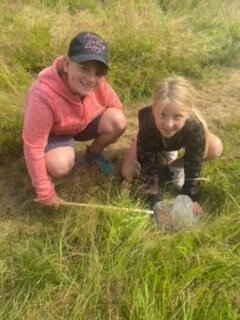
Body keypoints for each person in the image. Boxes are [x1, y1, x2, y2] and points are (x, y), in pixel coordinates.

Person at [23, 31, 127, 208]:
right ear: (66, 64)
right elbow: (33, 144)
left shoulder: (99, 84)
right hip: (56, 132)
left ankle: (93, 154)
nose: (91, 79)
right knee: (60, 166)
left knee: (118, 120)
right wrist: (45, 192)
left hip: (83, 123)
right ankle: (57, 154)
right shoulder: (43, 95)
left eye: (98, 72)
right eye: (84, 68)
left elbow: (116, 107)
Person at [121, 77, 223, 216]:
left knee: (215, 146)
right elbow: (148, 168)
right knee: (128, 172)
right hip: (151, 142)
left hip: (176, 141)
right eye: (162, 115)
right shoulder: (147, 124)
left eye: (177, 117)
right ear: (153, 109)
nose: (169, 124)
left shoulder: (194, 127)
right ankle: (138, 141)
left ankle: (174, 164)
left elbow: (194, 163)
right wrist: (155, 203)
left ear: (187, 114)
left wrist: (190, 197)